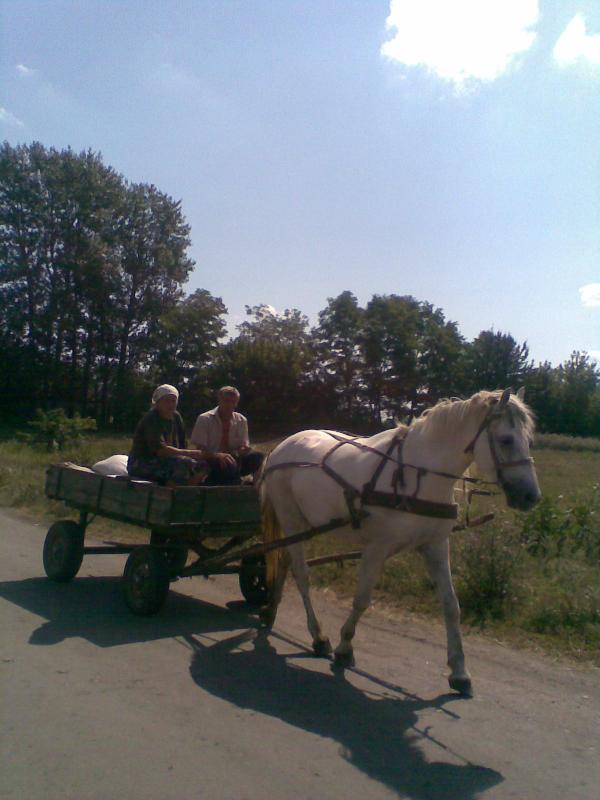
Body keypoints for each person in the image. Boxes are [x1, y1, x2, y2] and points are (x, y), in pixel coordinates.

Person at [128, 384, 209, 486]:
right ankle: (172, 494)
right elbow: (161, 450)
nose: (170, 404)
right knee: (183, 463)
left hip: (169, 460)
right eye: (166, 400)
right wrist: (189, 453)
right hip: (142, 463)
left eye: (173, 401)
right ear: (157, 402)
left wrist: (194, 455)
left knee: (204, 465)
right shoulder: (151, 419)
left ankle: (187, 490)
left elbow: (182, 443)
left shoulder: (176, 417)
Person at [190, 386, 264, 485]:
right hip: (211, 459)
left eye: (233, 402)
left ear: (236, 403)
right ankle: (232, 485)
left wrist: (243, 449)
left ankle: (255, 486)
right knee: (228, 464)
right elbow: (199, 450)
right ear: (219, 400)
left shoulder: (241, 420)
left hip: (234, 458)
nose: (229, 405)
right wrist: (218, 455)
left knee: (258, 457)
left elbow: (243, 445)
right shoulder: (205, 419)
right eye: (226, 401)